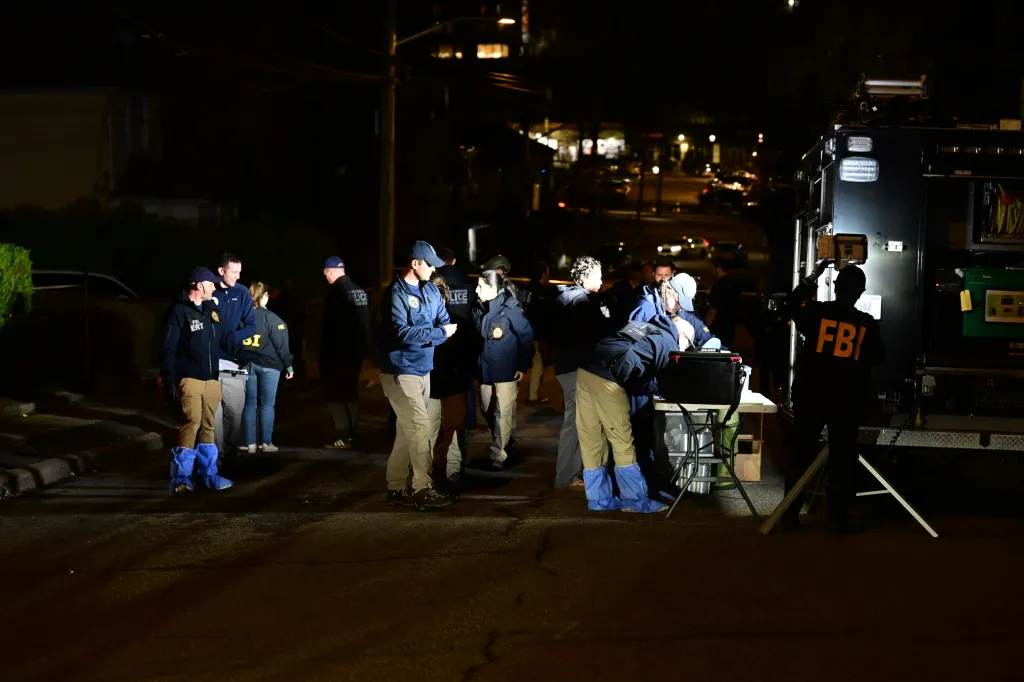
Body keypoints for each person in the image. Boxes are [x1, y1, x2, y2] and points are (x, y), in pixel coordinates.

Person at [782, 262, 884, 534]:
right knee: (841, 459)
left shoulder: (817, 313)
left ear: (836, 288)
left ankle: (788, 513)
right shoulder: (866, 324)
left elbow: (791, 303)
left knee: (802, 454)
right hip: (845, 400)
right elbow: (877, 357)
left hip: (810, 396)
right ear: (860, 293)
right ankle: (837, 519)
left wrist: (815, 273)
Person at [576, 313, 691, 512]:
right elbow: (663, 381)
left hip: (585, 370)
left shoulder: (643, 328)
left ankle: (599, 500)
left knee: (591, 438)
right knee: (622, 440)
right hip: (608, 379)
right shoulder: (668, 341)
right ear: (682, 336)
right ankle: (635, 502)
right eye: (686, 345)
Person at [378, 241, 458, 510]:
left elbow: (444, 319)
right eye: (429, 263)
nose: (434, 268)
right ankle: (422, 488)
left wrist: (441, 331)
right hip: (400, 371)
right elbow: (403, 334)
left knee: (407, 430)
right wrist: (439, 334)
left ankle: (396, 487)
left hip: (424, 369)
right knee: (421, 427)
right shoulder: (395, 294)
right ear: (415, 263)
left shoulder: (431, 291)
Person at [160, 267, 245, 495]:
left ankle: (209, 475)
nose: (214, 287)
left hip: (212, 379)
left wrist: (243, 353)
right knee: (191, 422)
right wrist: (169, 379)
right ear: (199, 285)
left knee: (209, 426)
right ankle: (181, 478)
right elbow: (168, 348)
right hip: (190, 379)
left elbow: (222, 339)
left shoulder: (210, 309)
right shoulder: (178, 312)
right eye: (211, 284)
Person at [551, 256, 609, 491]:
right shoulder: (583, 303)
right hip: (578, 367)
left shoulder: (564, 299)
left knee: (576, 421)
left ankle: (573, 472)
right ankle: (567, 476)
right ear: (584, 278)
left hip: (566, 365)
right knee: (575, 423)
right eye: (598, 276)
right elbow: (590, 336)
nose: (602, 280)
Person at [471, 269, 534, 470]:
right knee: (487, 409)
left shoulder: (510, 309)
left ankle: (498, 454)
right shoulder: (477, 307)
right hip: (485, 370)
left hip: (506, 370)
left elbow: (526, 336)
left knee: (503, 412)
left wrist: (522, 365)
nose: (476, 290)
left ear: (494, 288)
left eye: (481, 286)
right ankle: (505, 439)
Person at [321, 256, 370, 449]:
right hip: (355, 352)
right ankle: (352, 432)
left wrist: (324, 354)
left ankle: (343, 434)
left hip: (337, 353)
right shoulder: (359, 291)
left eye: (325, 273)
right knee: (350, 392)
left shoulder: (336, 293)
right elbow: (366, 323)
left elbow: (330, 327)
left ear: (331, 271)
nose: (325, 277)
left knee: (335, 395)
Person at [211, 253, 258, 458]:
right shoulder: (208, 290)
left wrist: (234, 338)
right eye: (234, 272)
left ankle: (230, 454)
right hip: (211, 361)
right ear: (221, 271)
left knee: (235, 411)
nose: (238, 276)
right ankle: (217, 459)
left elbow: (251, 326)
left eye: (240, 272)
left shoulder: (242, 293)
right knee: (214, 415)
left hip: (234, 361)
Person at [426, 275, 471, 483]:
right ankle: (431, 472)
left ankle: (452, 471)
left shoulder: (460, 325)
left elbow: (468, 356)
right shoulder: (421, 327)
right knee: (430, 433)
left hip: (453, 386)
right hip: (431, 387)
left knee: (453, 431)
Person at [240, 281, 294, 454]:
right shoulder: (272, 318)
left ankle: (250, 444)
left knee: (249, 404)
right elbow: (282, 345)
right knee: (267, 405)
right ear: (264, 296)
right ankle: (266, 442)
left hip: (247, 364)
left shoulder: (241, 317)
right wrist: (289, 366)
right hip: (269, 366)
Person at [435, 247, 477, 431]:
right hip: (464, 337)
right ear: (453, 261)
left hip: (441, 340)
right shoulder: (465, 279)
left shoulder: (435, 280)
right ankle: (469, 422)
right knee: (464, 384)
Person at [521, 260, 555, 405]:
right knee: (538, 364)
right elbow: (543, 316)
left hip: (520, 331)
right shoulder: (541, 293)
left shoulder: (524, 289)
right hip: (534, 334)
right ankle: (533, 396)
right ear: (543, 274)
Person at [706, 258, 742, 348]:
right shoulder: (734, 284)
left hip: (718, 325)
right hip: (729, 324)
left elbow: (714, 308)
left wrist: (707, 326)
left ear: (718, 268)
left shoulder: (719, 287)